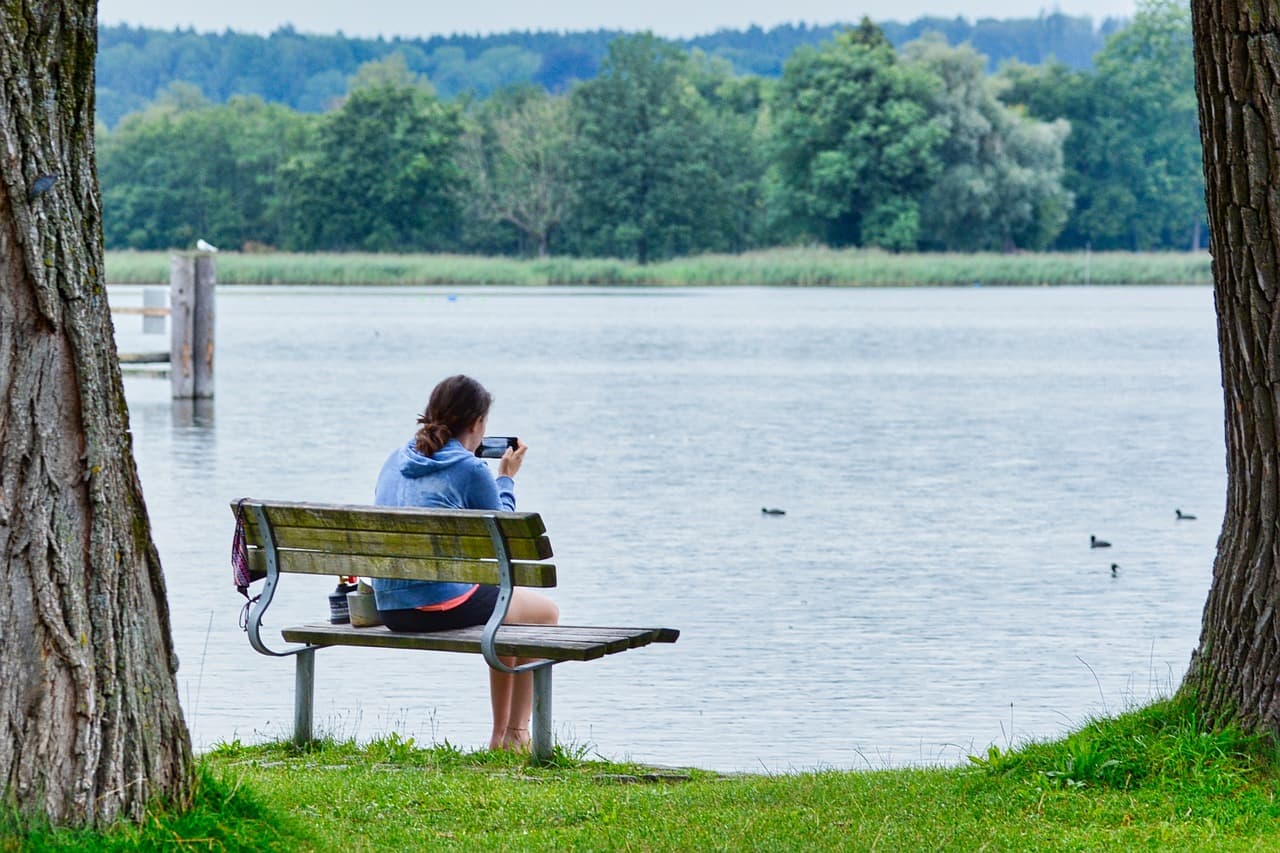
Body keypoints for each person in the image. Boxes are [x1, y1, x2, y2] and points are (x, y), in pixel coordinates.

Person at [371, 374, 559, 751]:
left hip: (391, 607)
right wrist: (505, 477)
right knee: (544, 613)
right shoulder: (472, 470)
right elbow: (505, 536)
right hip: (436, 605)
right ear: (477, 425)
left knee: (503, 608)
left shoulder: (396, 458)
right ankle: (515, 735)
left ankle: (501, 735)